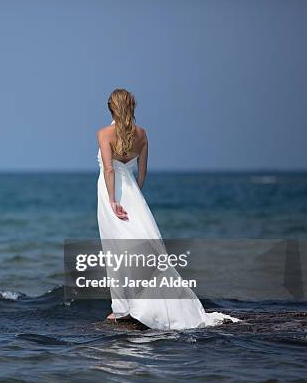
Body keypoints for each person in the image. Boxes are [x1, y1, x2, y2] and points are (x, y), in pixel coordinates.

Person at [96, 88, 238, 330]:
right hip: (133, 196)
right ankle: (135, 304)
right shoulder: (142, 135)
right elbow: (142, 173)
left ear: (110, 108)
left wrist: (112, 200)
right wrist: (134, 196)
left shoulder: (104, 133)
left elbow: (109, 170)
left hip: (111, 196)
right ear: (132, 107)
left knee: (117, 248)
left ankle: (122, 308)